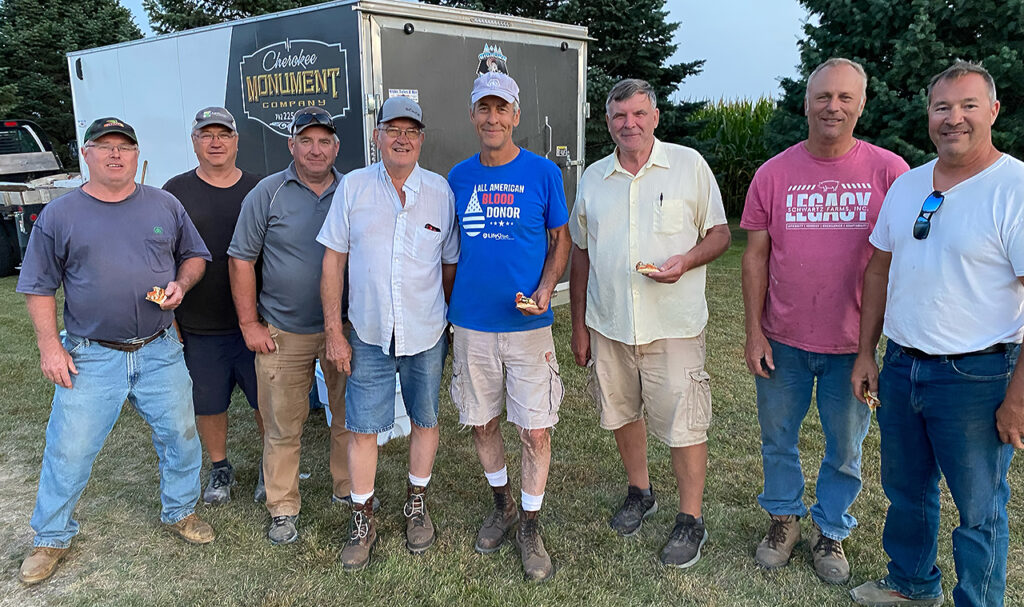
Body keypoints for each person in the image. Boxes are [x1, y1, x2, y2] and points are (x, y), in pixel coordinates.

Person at [850, 61, 1024, 607]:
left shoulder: (1013, 188)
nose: (954, 118)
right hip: (903, 364)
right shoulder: (908, 185)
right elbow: (878, 269)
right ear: (929, 114)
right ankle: (911, 583)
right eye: (942, 107)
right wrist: (866, 353)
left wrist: (1018, 399)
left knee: (979, 509)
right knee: (906, 492)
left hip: (979, 375)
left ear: (993, 111)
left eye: (968, 106)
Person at [16, 117, 214, 585]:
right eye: (104, 146)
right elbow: (38, 285)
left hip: (159, 348)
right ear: (86, 154)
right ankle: (51, 536)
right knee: (69, 447)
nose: (115, 154)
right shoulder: (60, 215)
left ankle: (180, 510)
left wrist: (181, 284)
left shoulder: (164, 204)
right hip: (91, 354)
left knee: (181, 435)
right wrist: (50, 348)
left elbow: (194, 256)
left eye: (124, 146)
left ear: (135, 154)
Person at [740, 59, 908, 584]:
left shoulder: (890, 173)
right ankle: (783, 519)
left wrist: (873, 348)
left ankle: (831, 529)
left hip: (854, 346)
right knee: (777, 438)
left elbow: (906, 258)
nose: (832, 107)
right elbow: (755, 257)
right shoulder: (774, 173)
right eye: (823, 97)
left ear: (861, 104)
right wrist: (753, 332)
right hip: (783, 339)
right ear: (807, 102)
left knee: (846, 447)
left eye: (844, 97)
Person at [568, 78, 730, 569]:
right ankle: (640, 491)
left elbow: (720, 234)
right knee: (622, 413)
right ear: (608, 121)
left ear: (655, 117)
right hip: (610, 324)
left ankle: (690, 518)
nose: (629, 124)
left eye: (639, 114)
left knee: (685, 424)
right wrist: (579, 325)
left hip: (673, 325)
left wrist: (687, 260)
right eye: (620, 115)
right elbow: (581, 251)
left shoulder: (688, 165)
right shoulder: (594, 178)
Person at [318, 97, 459, 570]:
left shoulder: (440, 191)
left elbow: (448, 264)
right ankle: (363, 519)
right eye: (392, 130)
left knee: (425, 419)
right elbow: (333, 262)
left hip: (426, 333)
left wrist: (447, 320)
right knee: (361, 429)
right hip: (367, 331)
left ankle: (416, 504)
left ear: (422, 139)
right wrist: (334, 331)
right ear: (376, 136)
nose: (402, 139)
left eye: (411, 131)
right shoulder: (354, 188)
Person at [447, 72, 570, 582]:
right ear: (472, 115)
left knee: (535, 430)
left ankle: (531, 527)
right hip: (472, 325)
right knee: (482, 422)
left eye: (502, 108)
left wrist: (545, 289)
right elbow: (447, 248)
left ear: (516, 115)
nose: (493, 118)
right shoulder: (457, 177)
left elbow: (560, 240)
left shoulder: (543, 173)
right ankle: (503, 506)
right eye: (484, 108)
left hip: (528, 325)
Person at [227, 106, 350, 545]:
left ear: (336, 147)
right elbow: (241, 259)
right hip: (284, 331)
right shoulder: (268, 192)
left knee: (348, 417)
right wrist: (249, 323)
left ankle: (347, 488)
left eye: (324, 141)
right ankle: (282, 507)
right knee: (282, 425)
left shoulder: (352, 191)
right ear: (291, 145)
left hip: (344, 329)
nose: (316, 150)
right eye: (306, 141)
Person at [163, 107, 264, 504]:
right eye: (207, 135)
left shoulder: (260, 188)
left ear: (237, 141)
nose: (215, 142)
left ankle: (270, 466)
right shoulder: (175, 191)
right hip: (199, 323)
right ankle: (220, 467)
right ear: (195, 142)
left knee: (266, 402)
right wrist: (170, 317)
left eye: (223, 134)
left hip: (256, 321)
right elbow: (162, 255)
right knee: (208, 403)